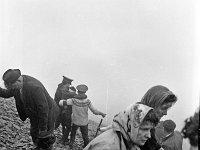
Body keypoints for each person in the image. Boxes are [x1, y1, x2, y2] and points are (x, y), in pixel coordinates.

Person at [0, 69, 60, 150]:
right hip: (34, 113)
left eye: (13, 87)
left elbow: (43, 108)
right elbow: (6, 93)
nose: (13, 89)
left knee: (45, 139)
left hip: (48, 113)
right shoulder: (16, 84)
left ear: (18, 81)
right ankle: (37, 146)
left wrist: (43, 129)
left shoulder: (35, 88)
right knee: (34, 133)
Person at [83, 103, 159, 150]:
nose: (149, 136)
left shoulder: (128, 140)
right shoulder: (107, 146)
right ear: (130, 126)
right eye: (145, 129)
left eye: (150, 130)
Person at [59, 84, 106, 148]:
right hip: (84, 122)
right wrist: (102, 113)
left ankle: (71, 144)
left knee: (73, 133)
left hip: (75, 121)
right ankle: (86, 146)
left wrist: (63, 99)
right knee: (85, 136)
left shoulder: (73, 100)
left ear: (78, 91)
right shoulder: (88, 101)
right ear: (85, 92)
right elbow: (94, 111)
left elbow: (60, 103)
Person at [139, 85, 177, 150]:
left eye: (167, 109)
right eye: (164, 108)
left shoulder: (149, 120)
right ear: (153, 103)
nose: (165, 113)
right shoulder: (139, 121)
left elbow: (153, 144)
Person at [54, 76, 77, 144]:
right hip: (63, 109)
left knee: (61, 123)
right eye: (69, 83)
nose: (69, 85)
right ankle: (64, 139)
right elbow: (65, 97)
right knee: (65, 124)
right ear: (66, 83)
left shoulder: (59, 87)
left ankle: (63, 137)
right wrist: (74, 94)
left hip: (59, 108)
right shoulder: (64, 89)